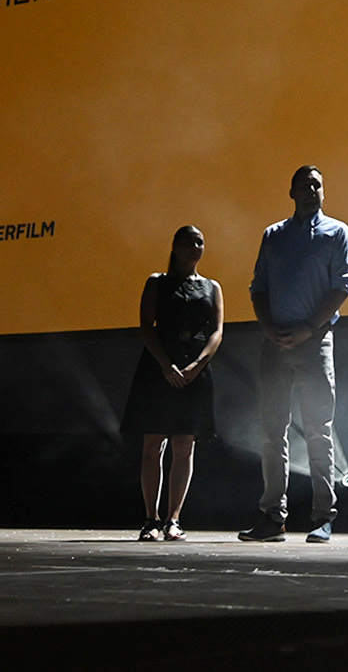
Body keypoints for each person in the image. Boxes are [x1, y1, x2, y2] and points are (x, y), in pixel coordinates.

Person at [239, 164, 348, 543]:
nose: (311, 190)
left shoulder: (337, 232)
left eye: (317, 185)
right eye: (304, 186)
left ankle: (323, 516)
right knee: (272, 433)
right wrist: (269, 328)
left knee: (318, 431)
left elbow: (342, 287)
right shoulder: (273, 235)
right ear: (291, 192)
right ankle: (273, 517)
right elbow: (258, 287)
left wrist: (308, 329)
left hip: (315, 342)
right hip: (274, 345)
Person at [123, 224, 224, 541]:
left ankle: (173, 519)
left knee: (184, 444)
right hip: (158, 368)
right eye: (190, 242)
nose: (196, 247)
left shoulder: (212, 287)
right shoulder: (157, 282)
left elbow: (216, 331)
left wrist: (197, 365)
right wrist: (166, 365)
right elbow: (146, 326)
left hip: (195, 369)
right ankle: (150, 519)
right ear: (175, 247)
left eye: (200, 242)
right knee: (153, 442)